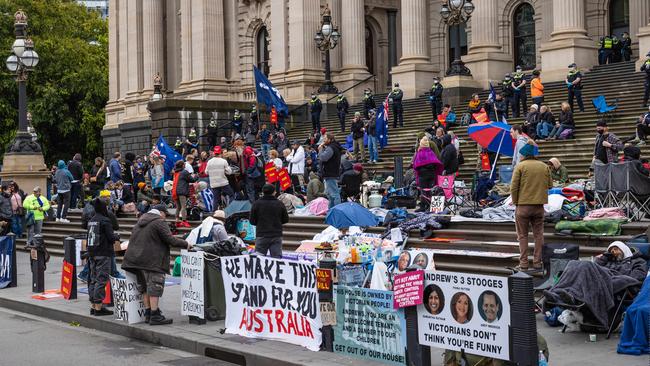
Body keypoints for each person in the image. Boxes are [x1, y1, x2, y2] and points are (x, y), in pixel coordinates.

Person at [544, 241, 647, 327]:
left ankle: (570, 296)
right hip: (601, 279)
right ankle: (558, 295)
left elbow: (638, 276)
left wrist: (616, 274)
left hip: (617, 281)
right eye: (611, 250)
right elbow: (595, 267)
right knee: (573, 263)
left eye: (616, 249)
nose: (613, 252)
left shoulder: (638, 261)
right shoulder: (609, 261)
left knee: (586, 265)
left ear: (624, 249)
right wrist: (604, 258)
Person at [123, 204, 190, 325]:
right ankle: (154, 315)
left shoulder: (141, 221)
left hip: (136, 259)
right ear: (160, 212)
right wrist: (186, 244)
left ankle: (148, 313)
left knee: (144, 287)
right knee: (155, 286)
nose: (165, 217)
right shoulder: (158, 221)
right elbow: (170, 239)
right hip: (152, 259)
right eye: (165, 214)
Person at [510, 143, 552, 271]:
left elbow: (513, 187)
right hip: (539, 206)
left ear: (523, 155)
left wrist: (516, 202)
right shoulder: (544, 166)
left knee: (522, 236)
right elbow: (550, 185)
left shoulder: (520, 166)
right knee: (539, 235)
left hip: (523, 206)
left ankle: (523, 264)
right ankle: (537, 263)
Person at [86, 198, 120, 316]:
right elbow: (111, 237)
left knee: (93, 279)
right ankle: (99, 308)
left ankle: (93, 306)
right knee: (101, 280)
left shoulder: (91, 220)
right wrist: (117, 237)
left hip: (92, 253)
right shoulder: (105, 220)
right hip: (103, 253)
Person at [249, 184, 289, 258]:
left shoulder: (256, 204)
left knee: (258, 259)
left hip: (261, 235)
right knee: (276, 260)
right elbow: (286, 219)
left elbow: (252, 221)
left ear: (263, 192)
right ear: (274, 192)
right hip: (276, 235)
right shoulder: (279, 204)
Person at [413, 137, 443, 212]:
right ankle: (430, 207)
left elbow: (415, 165)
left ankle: (423, 206)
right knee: (431, 192)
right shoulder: (431, 152)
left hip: (423, 176)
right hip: (431, 175)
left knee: (423, 192)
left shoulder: (420, 153)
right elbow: (437, 163)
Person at [319, 133, 343, 209]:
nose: (323, 140)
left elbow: (323, 158)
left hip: (330, 173)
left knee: (334, 194)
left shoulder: (331, 148)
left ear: (330, 139)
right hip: (332, 172)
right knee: (330, 195)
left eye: (325, 138)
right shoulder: (334, 147)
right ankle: (331, 210)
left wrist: (320, 149)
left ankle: (337, 211)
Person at [172, 160, 197, 227]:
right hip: (182, 191)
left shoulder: (176, 172)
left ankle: (177, 221)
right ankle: (184, 221)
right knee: (183, 206)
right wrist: (196, 176)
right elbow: (192, 180)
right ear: (182, 165)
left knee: (178, 207)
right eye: (184, 164)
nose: (185, 165)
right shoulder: (184, 172)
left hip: (175, 191)